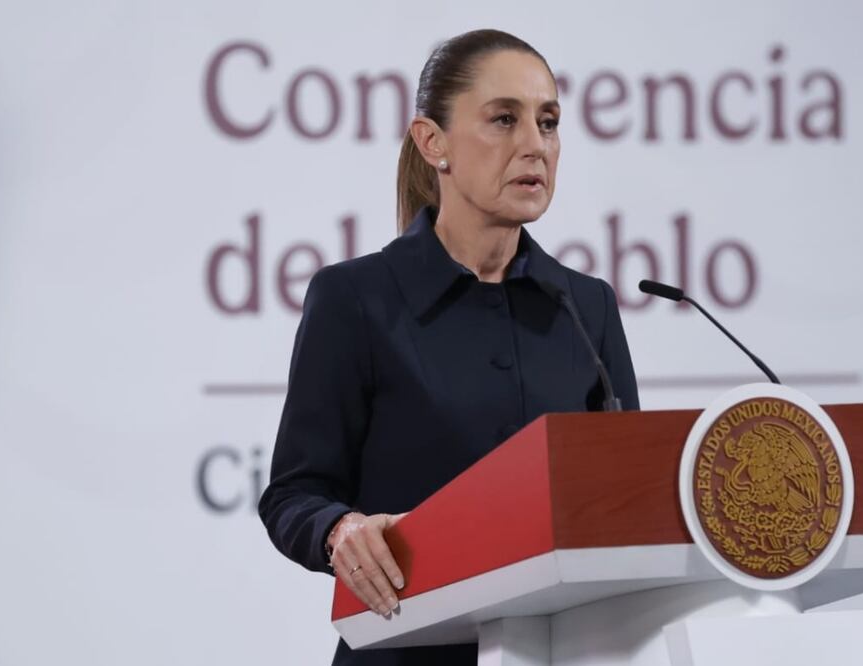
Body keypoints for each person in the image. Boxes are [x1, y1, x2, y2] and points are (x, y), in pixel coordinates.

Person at [258, 28, 640, 666]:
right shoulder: (356, 299)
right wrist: (339, 530)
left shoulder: (585, 306)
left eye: (548, 123)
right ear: (433, 142)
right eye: (504, 119)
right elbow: (293, 495)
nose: (534, 145)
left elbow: (629, 495)